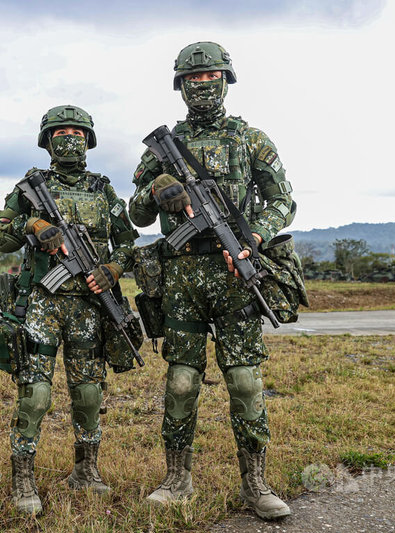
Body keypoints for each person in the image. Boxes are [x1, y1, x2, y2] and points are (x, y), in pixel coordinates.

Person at [128, 42, 295, 520]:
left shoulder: (250, 139)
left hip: (234, 272)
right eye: (194, 80)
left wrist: (255, 235)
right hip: (181, 277)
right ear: (181, 87)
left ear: (227, 81)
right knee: (181, 382)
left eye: (212, 78)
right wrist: (159, 188)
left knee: (245, 381)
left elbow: (283, 199)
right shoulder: (163, 147)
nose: (204, 85)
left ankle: (256, 483)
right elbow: (135, 213)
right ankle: (177, 479)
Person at [0, 105, 137, 514]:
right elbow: (1, 238)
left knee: (89, 394)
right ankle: (23, 480)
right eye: (60, 131)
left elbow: (128, 241)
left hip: (89, 306)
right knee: (35, 394)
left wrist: (112, 268)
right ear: (47, 140)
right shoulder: (28, 189)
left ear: (88, 139)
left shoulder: (103, 190)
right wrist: (31, 227)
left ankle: (85, 471)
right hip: (41, 303)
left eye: (76, 131)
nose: (69, 137)